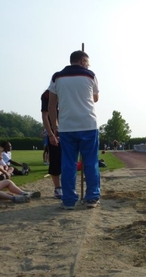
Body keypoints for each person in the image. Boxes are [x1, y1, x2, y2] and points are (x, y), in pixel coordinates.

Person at [48, 50, 100, 210]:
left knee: (68, 164)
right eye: (88, 62)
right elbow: (95, 98)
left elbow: (51, 105)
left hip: (66, 126)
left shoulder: (57, 77)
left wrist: (55, 126)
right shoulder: (90, 75)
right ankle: (92, 198)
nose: (88, 65)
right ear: (83, 60)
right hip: (88, 124)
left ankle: (69, 200)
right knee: (91, 162)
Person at [41, 89, 63, 199]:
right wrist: (50, 134)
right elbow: (45, 116)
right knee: (55, 159)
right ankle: (58, 188)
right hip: (54, 132)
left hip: (69, 130)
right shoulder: (46, 95)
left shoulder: (67, 90)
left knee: (69, 160)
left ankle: (68, 186)